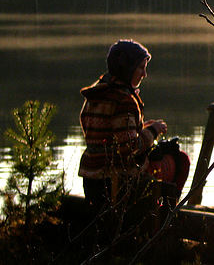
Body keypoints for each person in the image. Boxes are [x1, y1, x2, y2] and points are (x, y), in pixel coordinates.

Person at [77, 40, 190, 220]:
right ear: (128, 69)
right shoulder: (124, 100)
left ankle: (161, 216)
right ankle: (165, 221)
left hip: (91, 175)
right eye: (141, 68)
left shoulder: (96, 95)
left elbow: (107, 133)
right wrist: (153, 131)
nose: (144, 74)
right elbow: (129, 147)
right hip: (118, 180)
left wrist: (142, 128)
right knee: (181, 160)